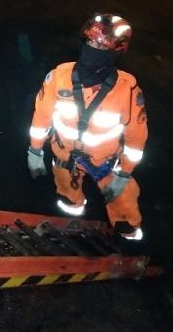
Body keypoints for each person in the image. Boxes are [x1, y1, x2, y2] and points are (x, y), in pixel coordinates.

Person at [27, 14, 148, 240]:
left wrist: (125, 172)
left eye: (101, 46)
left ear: (115, 52)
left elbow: (136, 138)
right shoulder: (58, 77)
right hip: (65, 154)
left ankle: (128, 235)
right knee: (66, 191)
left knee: (123, 198)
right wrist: (34, 149)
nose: (93, 49)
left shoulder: (128, 91)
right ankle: (73, 214)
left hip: (106, 161)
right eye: (90, 42)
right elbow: (42, 115)